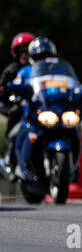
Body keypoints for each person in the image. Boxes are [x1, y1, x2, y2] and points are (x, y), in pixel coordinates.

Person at [0, 32, 35, 181]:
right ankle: (8, 160)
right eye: (21, 52)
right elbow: (1, 94)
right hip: (18, 115)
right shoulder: (10, 72)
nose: (25, 55)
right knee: (15, 134)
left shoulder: (39, 70)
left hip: (37, 112)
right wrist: (8, 109)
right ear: (16, 54)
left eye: (28, 51)